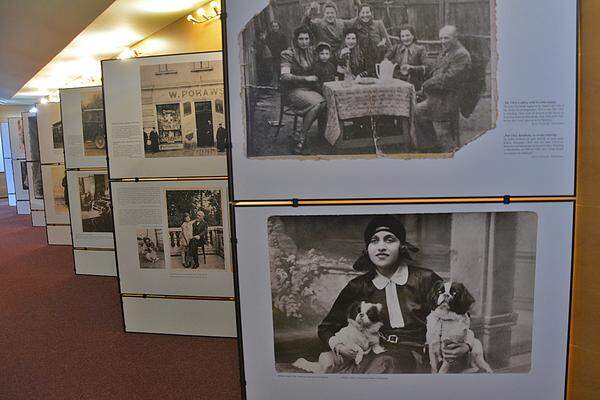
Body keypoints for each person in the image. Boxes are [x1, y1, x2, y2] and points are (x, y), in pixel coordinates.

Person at [317, 216, 471, 373]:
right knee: (328, 362)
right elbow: (326, 328)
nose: (381, 247)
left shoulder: (425, 279)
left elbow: (462, 315)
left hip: (416, 354)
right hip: (373, 350)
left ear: (402, 247)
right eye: (374, 241)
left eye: (389, 240)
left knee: (384, 364)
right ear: (367, 249)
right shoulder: (358, 286)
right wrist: (339, 346)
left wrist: (467, 345)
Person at [415, 25, 471, 152]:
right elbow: (436, 69)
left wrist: (427, 84)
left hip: (448, 98)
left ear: (455, 37)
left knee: (443, 133)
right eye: (441, 38)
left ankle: (448, 152)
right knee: (417, 112)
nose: (443, 41)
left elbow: (449, 78)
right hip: (437, 96)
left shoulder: (461, 54)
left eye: (446, 38)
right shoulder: (446, 51)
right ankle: (431, 145)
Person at [280, 26, 327, 154]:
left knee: (324, 102)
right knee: (318, 104)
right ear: (295, 40)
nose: (304, 42)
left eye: (306, 39)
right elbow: (285, 76)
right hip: (293, 90)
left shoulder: (311, 52)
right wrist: (305, 79)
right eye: (301, 39)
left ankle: (302, 134)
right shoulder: (287, 54)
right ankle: (302, 138)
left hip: (310, 90)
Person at [384, 24, 427, 90]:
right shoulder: (396, 48)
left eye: (408, 35)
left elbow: (426, 68)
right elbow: (385, 59)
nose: (405, 38)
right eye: (403, 36)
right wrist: (389, 64)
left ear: (413, 36)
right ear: (400, 38)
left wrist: (412, 68)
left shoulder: (420, 49)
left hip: (413, 83)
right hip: (397, 82)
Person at [353, 3, 391, 71]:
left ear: (371, 13)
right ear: (358, 14)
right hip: (362, 65)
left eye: (367, 12)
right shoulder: (355, 26)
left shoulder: (379, 24)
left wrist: (384, 60)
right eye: (363, 13)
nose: (365, 15)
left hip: (378, 63)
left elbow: (389, 47)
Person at [266, 21, 288, 88]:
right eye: (273, 26)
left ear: (279, 27)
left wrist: (281, 51)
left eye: (276, 26)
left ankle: (281, 83)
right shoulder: (269, 36)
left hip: (280, 55)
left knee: (280, 68)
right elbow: (267, 43)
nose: (275, 28)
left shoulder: (282, 35)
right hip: (272, 55)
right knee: (273, 69)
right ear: (271, 27)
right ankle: (274, 83)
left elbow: (285, 45)